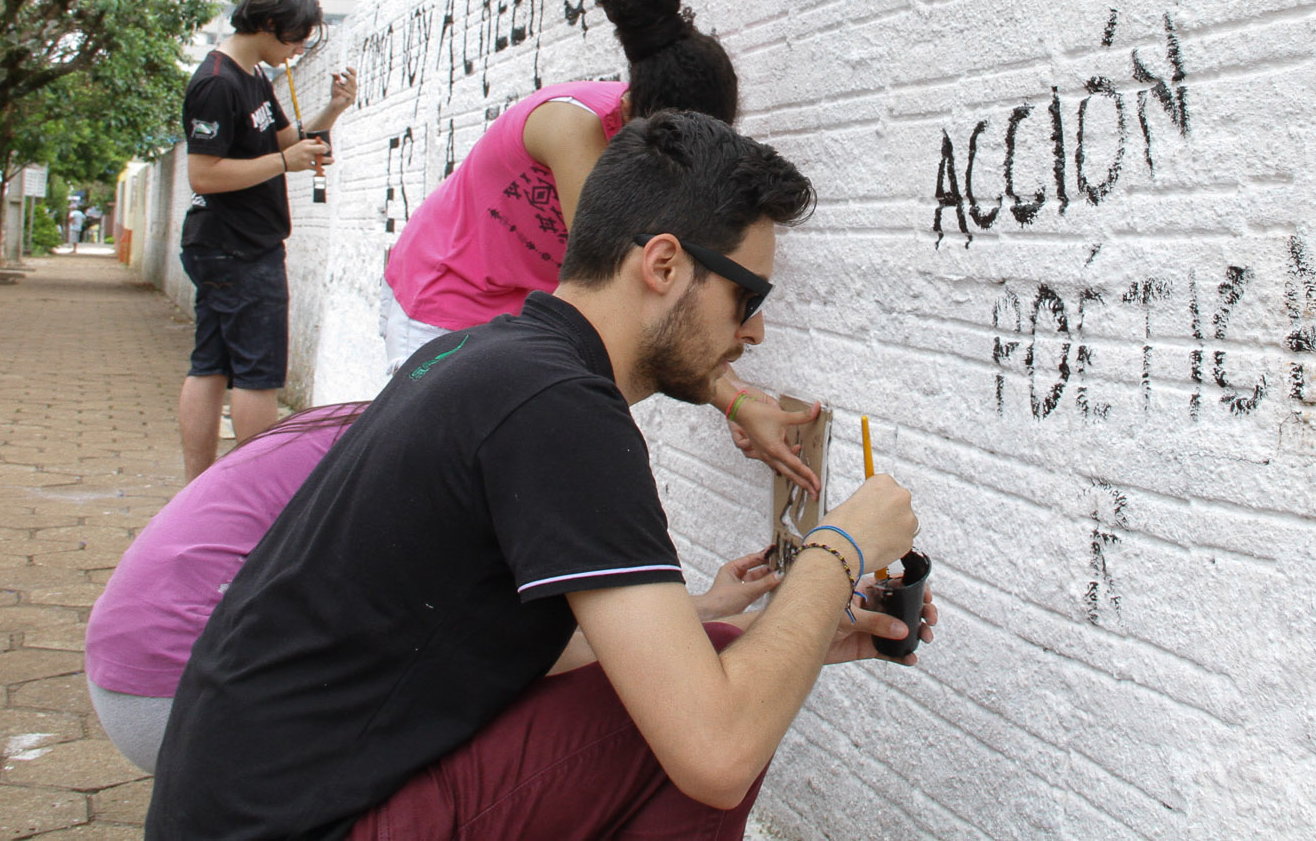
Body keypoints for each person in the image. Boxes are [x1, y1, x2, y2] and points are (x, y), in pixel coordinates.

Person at [147, 111, 933, 841]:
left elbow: (514, 654)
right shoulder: (559, 406)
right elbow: (715, 751)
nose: (755, 330)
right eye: (747, 295)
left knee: (722, 660)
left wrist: (792, 632)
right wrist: (838, 549)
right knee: (711, 730)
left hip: (236, 808)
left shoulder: (484, 356)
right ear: (663, 263)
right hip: (302, 822)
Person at [85, 402, 781, 774]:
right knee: (580, 711)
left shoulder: (392, 425)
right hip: (178, 700)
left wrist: (706, 607)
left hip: (129, 669)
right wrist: (754, 640)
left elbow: (578, 622)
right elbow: (543, 647)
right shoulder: (458, 470)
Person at [382, 0, 821, 496]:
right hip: (443, 295)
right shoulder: (570, 126)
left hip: (519, 315)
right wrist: (734, 398)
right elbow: (631, 290)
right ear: (633, 109)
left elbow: (664, 292)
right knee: (439, 481)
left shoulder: (652, 147)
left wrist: (738, 397)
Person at [178, 0, 356, 480]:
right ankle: (253, 497)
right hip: (236, 246)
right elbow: (204, 174)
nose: (300, 49)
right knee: (257, 377)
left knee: (210, 365)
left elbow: (288, 139)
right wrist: (285, 162)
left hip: (225, 246)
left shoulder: (252, 74)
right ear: (270, 25)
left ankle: (199, 490)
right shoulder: (218, 82)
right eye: (297, 38)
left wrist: (334, 110)